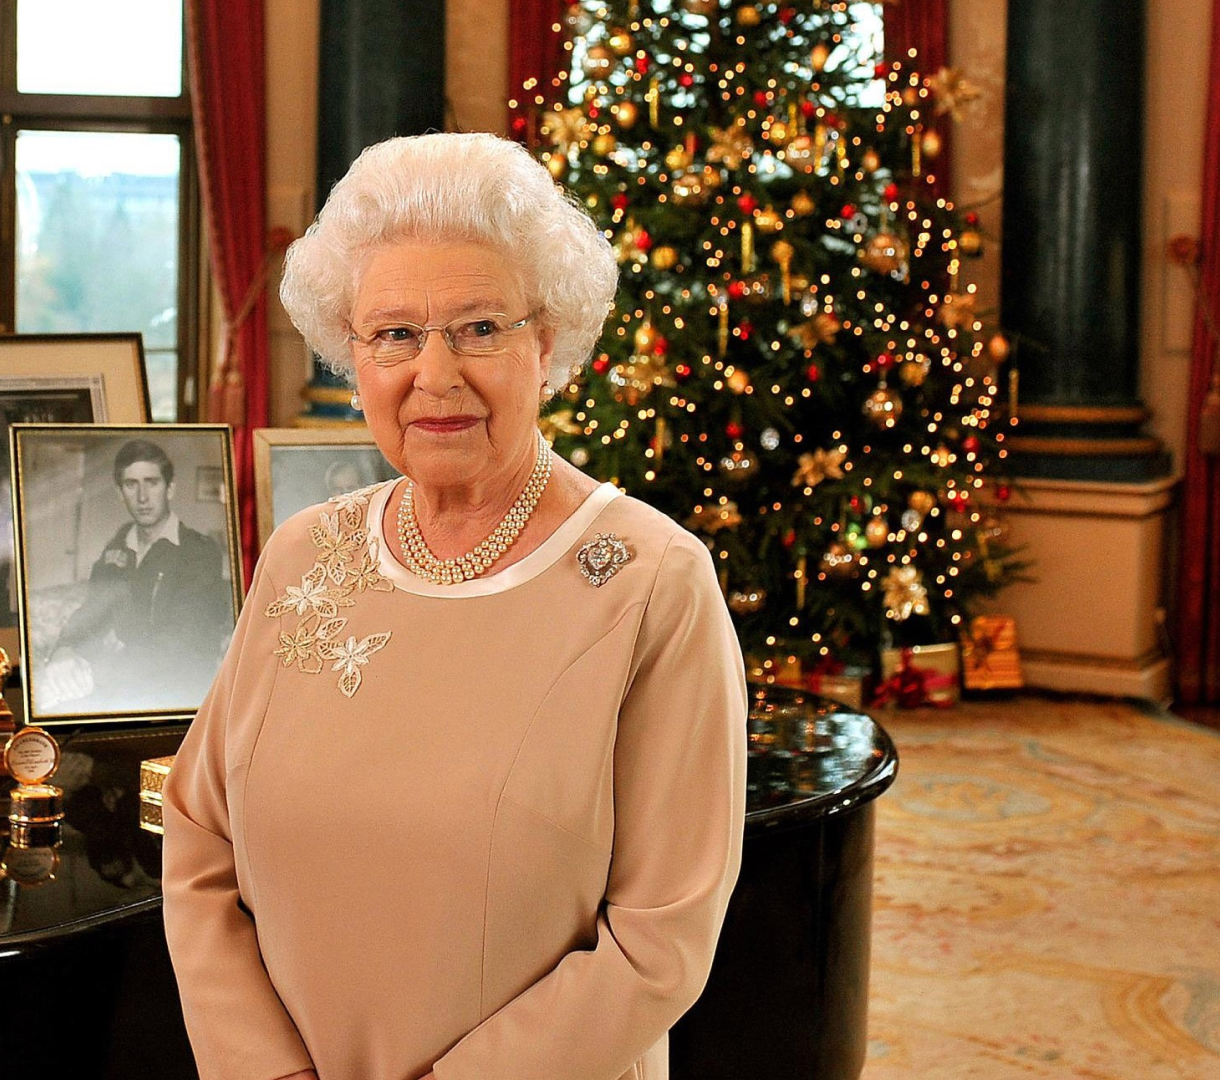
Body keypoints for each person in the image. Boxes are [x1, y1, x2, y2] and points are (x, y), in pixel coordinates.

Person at [161, 132, 747, 1080]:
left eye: (479, 328)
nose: (434, 375)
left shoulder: (652, 582)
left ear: (548, 340)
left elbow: (659, 942)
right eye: (393, 334)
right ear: (351, 356)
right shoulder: (305, 551)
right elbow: (198, 835)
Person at [38, 438, 232, 714]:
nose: (142, 497)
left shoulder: (197, 552)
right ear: (120, 493)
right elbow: (92, 609)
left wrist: (93, 672)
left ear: (170, 488)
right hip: (121, 679)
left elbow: (184, 640)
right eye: (132, 485)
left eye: (152, 482)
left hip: (180, 690)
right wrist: (65, 650)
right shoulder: (117, 547)